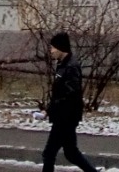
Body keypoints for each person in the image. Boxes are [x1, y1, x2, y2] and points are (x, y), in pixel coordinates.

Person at [41, 32, 99, 172]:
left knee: (49, 153)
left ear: (61, 48)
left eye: (53, 47)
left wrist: (53, 110)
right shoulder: (62, 64)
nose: (51, 51)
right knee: (71, 153)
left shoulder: (71, 66)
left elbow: (69, 94)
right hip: (64, 116)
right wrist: (48, 110)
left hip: (65, 117)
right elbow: (58, 93)